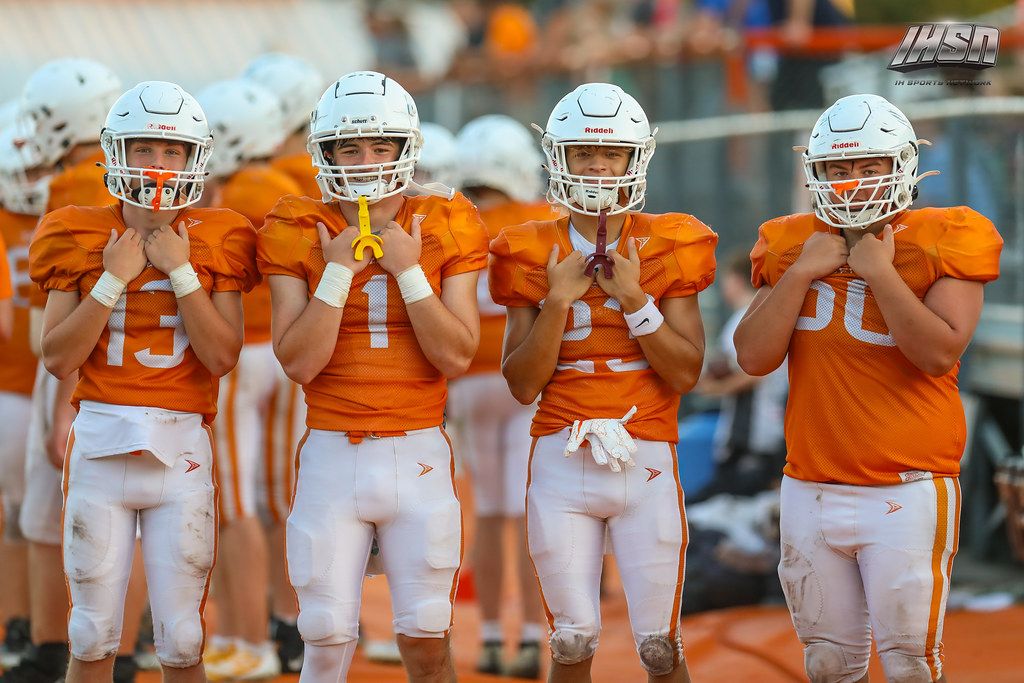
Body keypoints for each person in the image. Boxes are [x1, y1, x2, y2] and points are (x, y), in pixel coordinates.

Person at [733, 93, 1003, 683]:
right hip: (811, 484)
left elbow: (937, 353)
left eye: (867, 167)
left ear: (900, 166)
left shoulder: (943, 237)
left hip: (906, 486)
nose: (851, 183)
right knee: (827, 665)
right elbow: (752, 357)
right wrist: (804, 269)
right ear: (815, 174)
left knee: (908, 666)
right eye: (837, 169)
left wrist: (878, 270)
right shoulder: (790, 245)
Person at [257, 70, 488, 683]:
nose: (364, 163)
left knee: (426, 636)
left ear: (404, 148)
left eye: (380, 147)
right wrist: (335, 274)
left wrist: (410, 273)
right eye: (349, 148)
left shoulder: (444, 220)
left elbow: (457, 355)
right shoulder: (295, 226)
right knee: (325, 636)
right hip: (334, 450)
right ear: (324, 153)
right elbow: (300, 361)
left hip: (417, 450)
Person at [29, 80, 259, 683]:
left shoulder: (221, 235)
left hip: (182, 443)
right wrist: (112, 281)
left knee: (183, 636)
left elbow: (222, 356)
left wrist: (181, 271)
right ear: (115, 152)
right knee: (91, 633)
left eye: (172, 152)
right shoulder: (75, 229)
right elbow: (56, 357)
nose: (158, 166)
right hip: (102, 436)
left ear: (194, 159)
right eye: (145, 149)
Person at [489, 82, 717, 683]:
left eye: (610, 154)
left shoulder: (670, 242)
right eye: (583, 154)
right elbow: (520, 383)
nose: (596, 166)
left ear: (633, 159)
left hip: (646, 451)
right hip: (562, 451)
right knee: (569, 641)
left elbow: (685, 372)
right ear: (557, 160)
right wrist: (558, 303)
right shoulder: (527, 248)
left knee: (660, 648)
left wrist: (636, 299)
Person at [447, 113, 556, 679]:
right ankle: (534, 638)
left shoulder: (452, 220)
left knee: (488, 510)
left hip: (467, 379)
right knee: (527, 512)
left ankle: (490, 636)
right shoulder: (538, 221)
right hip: (523, 379)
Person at [195, 78, 296, 682]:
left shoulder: (235, 194)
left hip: (244, 355)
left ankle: (246, 638)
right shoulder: (292, 183)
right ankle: (277, 631)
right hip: (287, 357)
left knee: (234, 506)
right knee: (279, 501)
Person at [690, 249, 787, 504]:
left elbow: (756, 371)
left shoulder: (746, 319)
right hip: (765, 430)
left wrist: (714, 389)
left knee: (710, 504)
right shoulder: (767, 314)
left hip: (752, 435)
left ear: (735, 281)